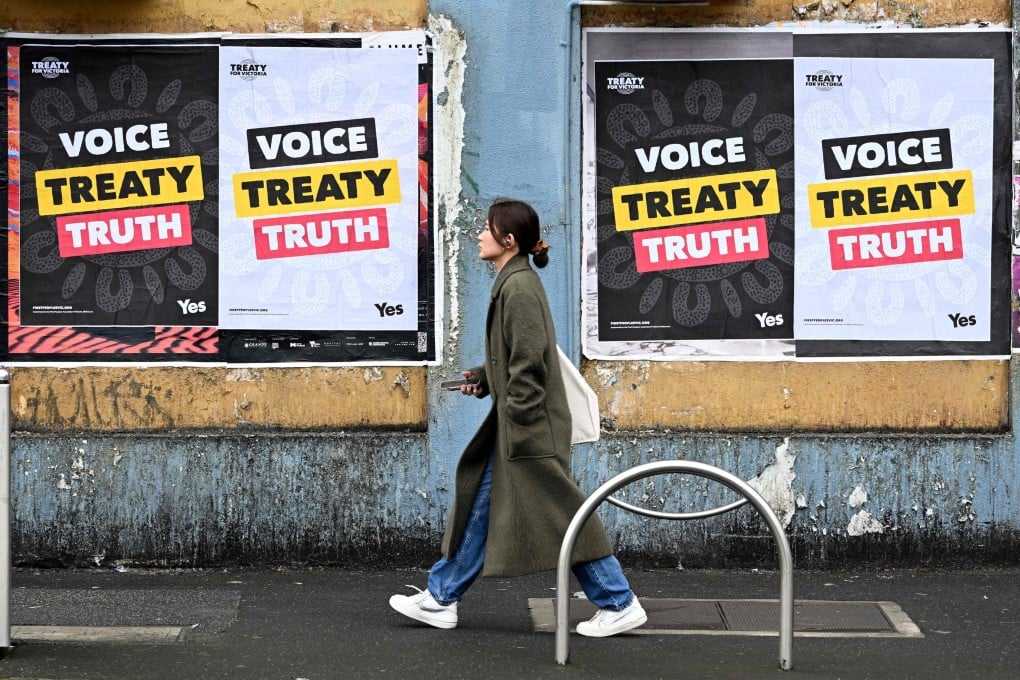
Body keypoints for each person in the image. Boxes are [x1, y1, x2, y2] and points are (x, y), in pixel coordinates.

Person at [389, 198, 646, 637]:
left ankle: (618, 601)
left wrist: (518, 420)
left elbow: (529, 363)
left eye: (487, 229)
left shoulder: (520, 287)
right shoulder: (514, 281)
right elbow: (514, 357)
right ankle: (441, 596)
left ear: (508, 240)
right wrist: (484, 377)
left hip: (528, 428)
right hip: (521, 425)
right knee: (483, 507)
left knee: (562, 513)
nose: (479, 235)